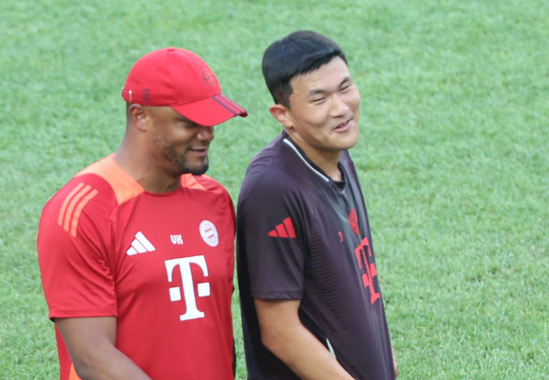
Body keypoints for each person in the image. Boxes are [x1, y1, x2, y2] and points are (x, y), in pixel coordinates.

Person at [38, 47, 247, 380]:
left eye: (211, 121)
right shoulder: (82, 212)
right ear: (140, 116)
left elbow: (214, 327)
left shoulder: (215, 200)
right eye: (190, 122)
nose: (207, 134)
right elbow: (93, 358)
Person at [236, 30, 398, 379]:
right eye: (319, 99)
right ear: (283, 114)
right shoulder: (273, 190)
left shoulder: (336, 154)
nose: (341, 109)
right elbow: (280, 332)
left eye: (345, 88)